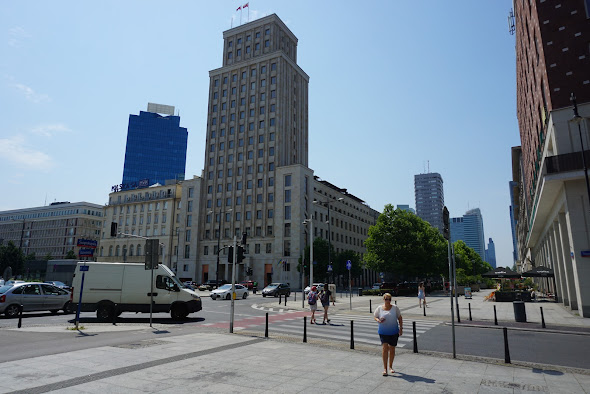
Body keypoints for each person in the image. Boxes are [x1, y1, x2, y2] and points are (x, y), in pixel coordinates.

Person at [373, 293, 402, 376]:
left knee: (392, 349)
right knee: (385, 348)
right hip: (383, 331)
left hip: (393, 331)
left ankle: (390, 366)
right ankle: (385, 369)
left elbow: (400, 318)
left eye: (389, 299)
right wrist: (378, 320)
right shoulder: (379, 308)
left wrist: (401, 329)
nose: (388, 301)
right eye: (386, 299)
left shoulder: (395, 308)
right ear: (383, 299)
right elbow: (375, 316)